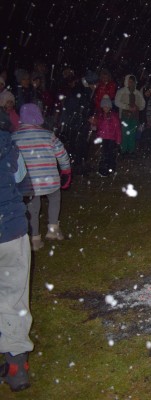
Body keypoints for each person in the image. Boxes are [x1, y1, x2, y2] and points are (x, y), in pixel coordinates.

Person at [0, 110, 33, 392]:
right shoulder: (7, 144)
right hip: (10, 232)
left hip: (8, 226)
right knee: (13, 296)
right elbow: (23, 182)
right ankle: (16, 363)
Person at [12, 103, 71, 252]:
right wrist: (66, 170)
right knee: (54, 199)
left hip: (28, 182)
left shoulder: (14, 137)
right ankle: (52, 229)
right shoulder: (48, 135)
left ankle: (35, 238)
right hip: (49, 178)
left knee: (33, 208)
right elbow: (62, 154)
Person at [115, 74, 145, 157]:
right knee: (124, 134)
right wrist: (127, 107)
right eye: (129, 81)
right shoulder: (121, 91)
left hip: (134, 117)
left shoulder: (137, 93)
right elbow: (117, 102)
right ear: (126, 81)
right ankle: (123, 151)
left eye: (132, 82)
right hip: (125, 116)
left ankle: (131, 151)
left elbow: (143, 104)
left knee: (132, 134)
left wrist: (138, 107)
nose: (131, 83)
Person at [92, 95, 122, 177]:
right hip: (103, 139)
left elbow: (118, 129)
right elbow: (98, 127)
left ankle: (111, 169)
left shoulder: (113, 116)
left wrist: (118, 140)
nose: (106, 108)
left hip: (111, 139)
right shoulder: (100, 116)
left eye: (107, 106)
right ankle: (103, 170)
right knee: (103, 155)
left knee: (111, 155)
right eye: (104, 106)